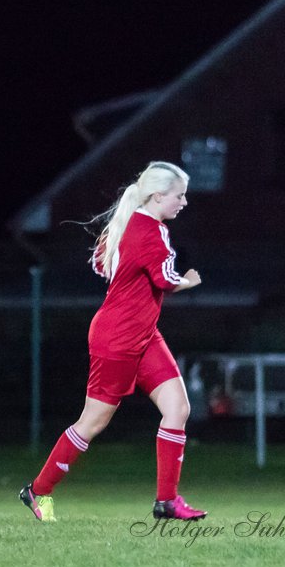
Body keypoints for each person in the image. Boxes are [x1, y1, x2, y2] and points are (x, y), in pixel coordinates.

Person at [19, 161, 208, 523]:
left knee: (177, 409)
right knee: (92, 422)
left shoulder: (132, 222)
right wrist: (189, 281)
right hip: (118, 338)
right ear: (158, 196)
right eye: (179, 196)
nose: (183, 202)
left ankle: (166, 502)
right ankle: (38, 490)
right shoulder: (150, 230)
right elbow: (166, 279)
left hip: (143, 334)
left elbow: (105, 267)